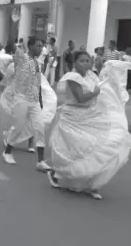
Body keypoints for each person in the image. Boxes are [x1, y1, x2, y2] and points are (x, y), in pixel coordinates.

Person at [47, 53, 131, 200]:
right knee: (76, 151)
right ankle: (57, 174)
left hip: (91, 116)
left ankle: (90, 184)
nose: (85, 63)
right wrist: (95, 93)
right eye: (82, 61)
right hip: (73, 117)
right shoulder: (73, 77)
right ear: (75, 62)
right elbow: (80, 98)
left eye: (87, 61)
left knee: (99, 147)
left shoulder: (91, 75)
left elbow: (102, 88)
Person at [0, 35, 51, 171]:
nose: (41, 49)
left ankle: (40, 161)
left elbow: (37, 82)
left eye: (42, 46)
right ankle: (7, 152)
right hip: (20, 98)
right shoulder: (21, 57)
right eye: (39, 46)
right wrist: (14, 24)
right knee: (19, 126)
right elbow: (10, 43)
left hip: (33, 100)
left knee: (40, 127)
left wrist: (40, 100)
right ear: (31, 46)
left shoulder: (36, 63)